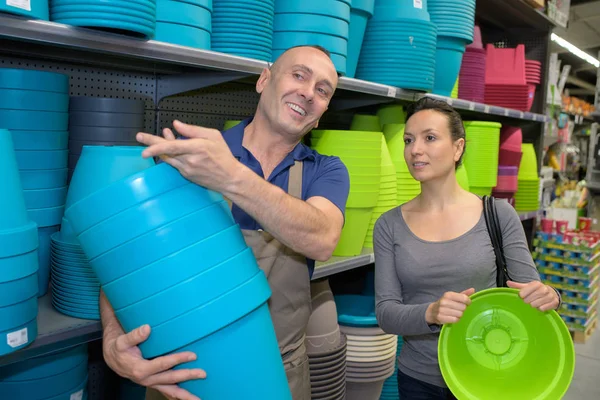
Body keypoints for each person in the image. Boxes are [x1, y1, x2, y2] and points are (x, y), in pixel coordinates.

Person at [99, 45, 350, 400]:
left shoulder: (325, 170)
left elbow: (322, 238)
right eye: (298, 75)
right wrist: (112, 338)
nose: (308, 93)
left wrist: (231, 176)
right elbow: (127, 259)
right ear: (264, 80)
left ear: (322, 113)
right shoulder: (193, 155)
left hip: (275, 376)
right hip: (185, 375)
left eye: (323, 90)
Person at [373, 98, 561, 400]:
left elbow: (530, 292)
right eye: (409, 140)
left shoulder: (497, 214)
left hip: (486, 374)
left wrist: (551, 296)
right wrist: (431, 312)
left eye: (429, 138)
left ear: (458, 148)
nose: (414, 150)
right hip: (420, 380)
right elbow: (386, 313)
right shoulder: (389, 225)